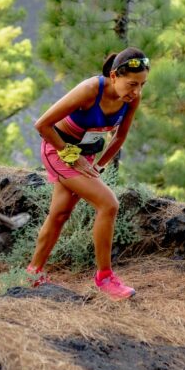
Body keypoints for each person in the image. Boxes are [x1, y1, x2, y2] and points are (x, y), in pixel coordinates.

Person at [27, 47, 150, 300]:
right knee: (108, 204)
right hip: (58, 149)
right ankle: (104, 278)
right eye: (132, 84)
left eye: (142, 84)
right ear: (114, 76)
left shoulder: (131, 98)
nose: (136, 91)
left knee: (60, 213)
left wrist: (99, 165)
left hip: (87, 156)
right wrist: (70, 155)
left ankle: (32, 273)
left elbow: (120, 137)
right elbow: (42, 125)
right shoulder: (90, 90)